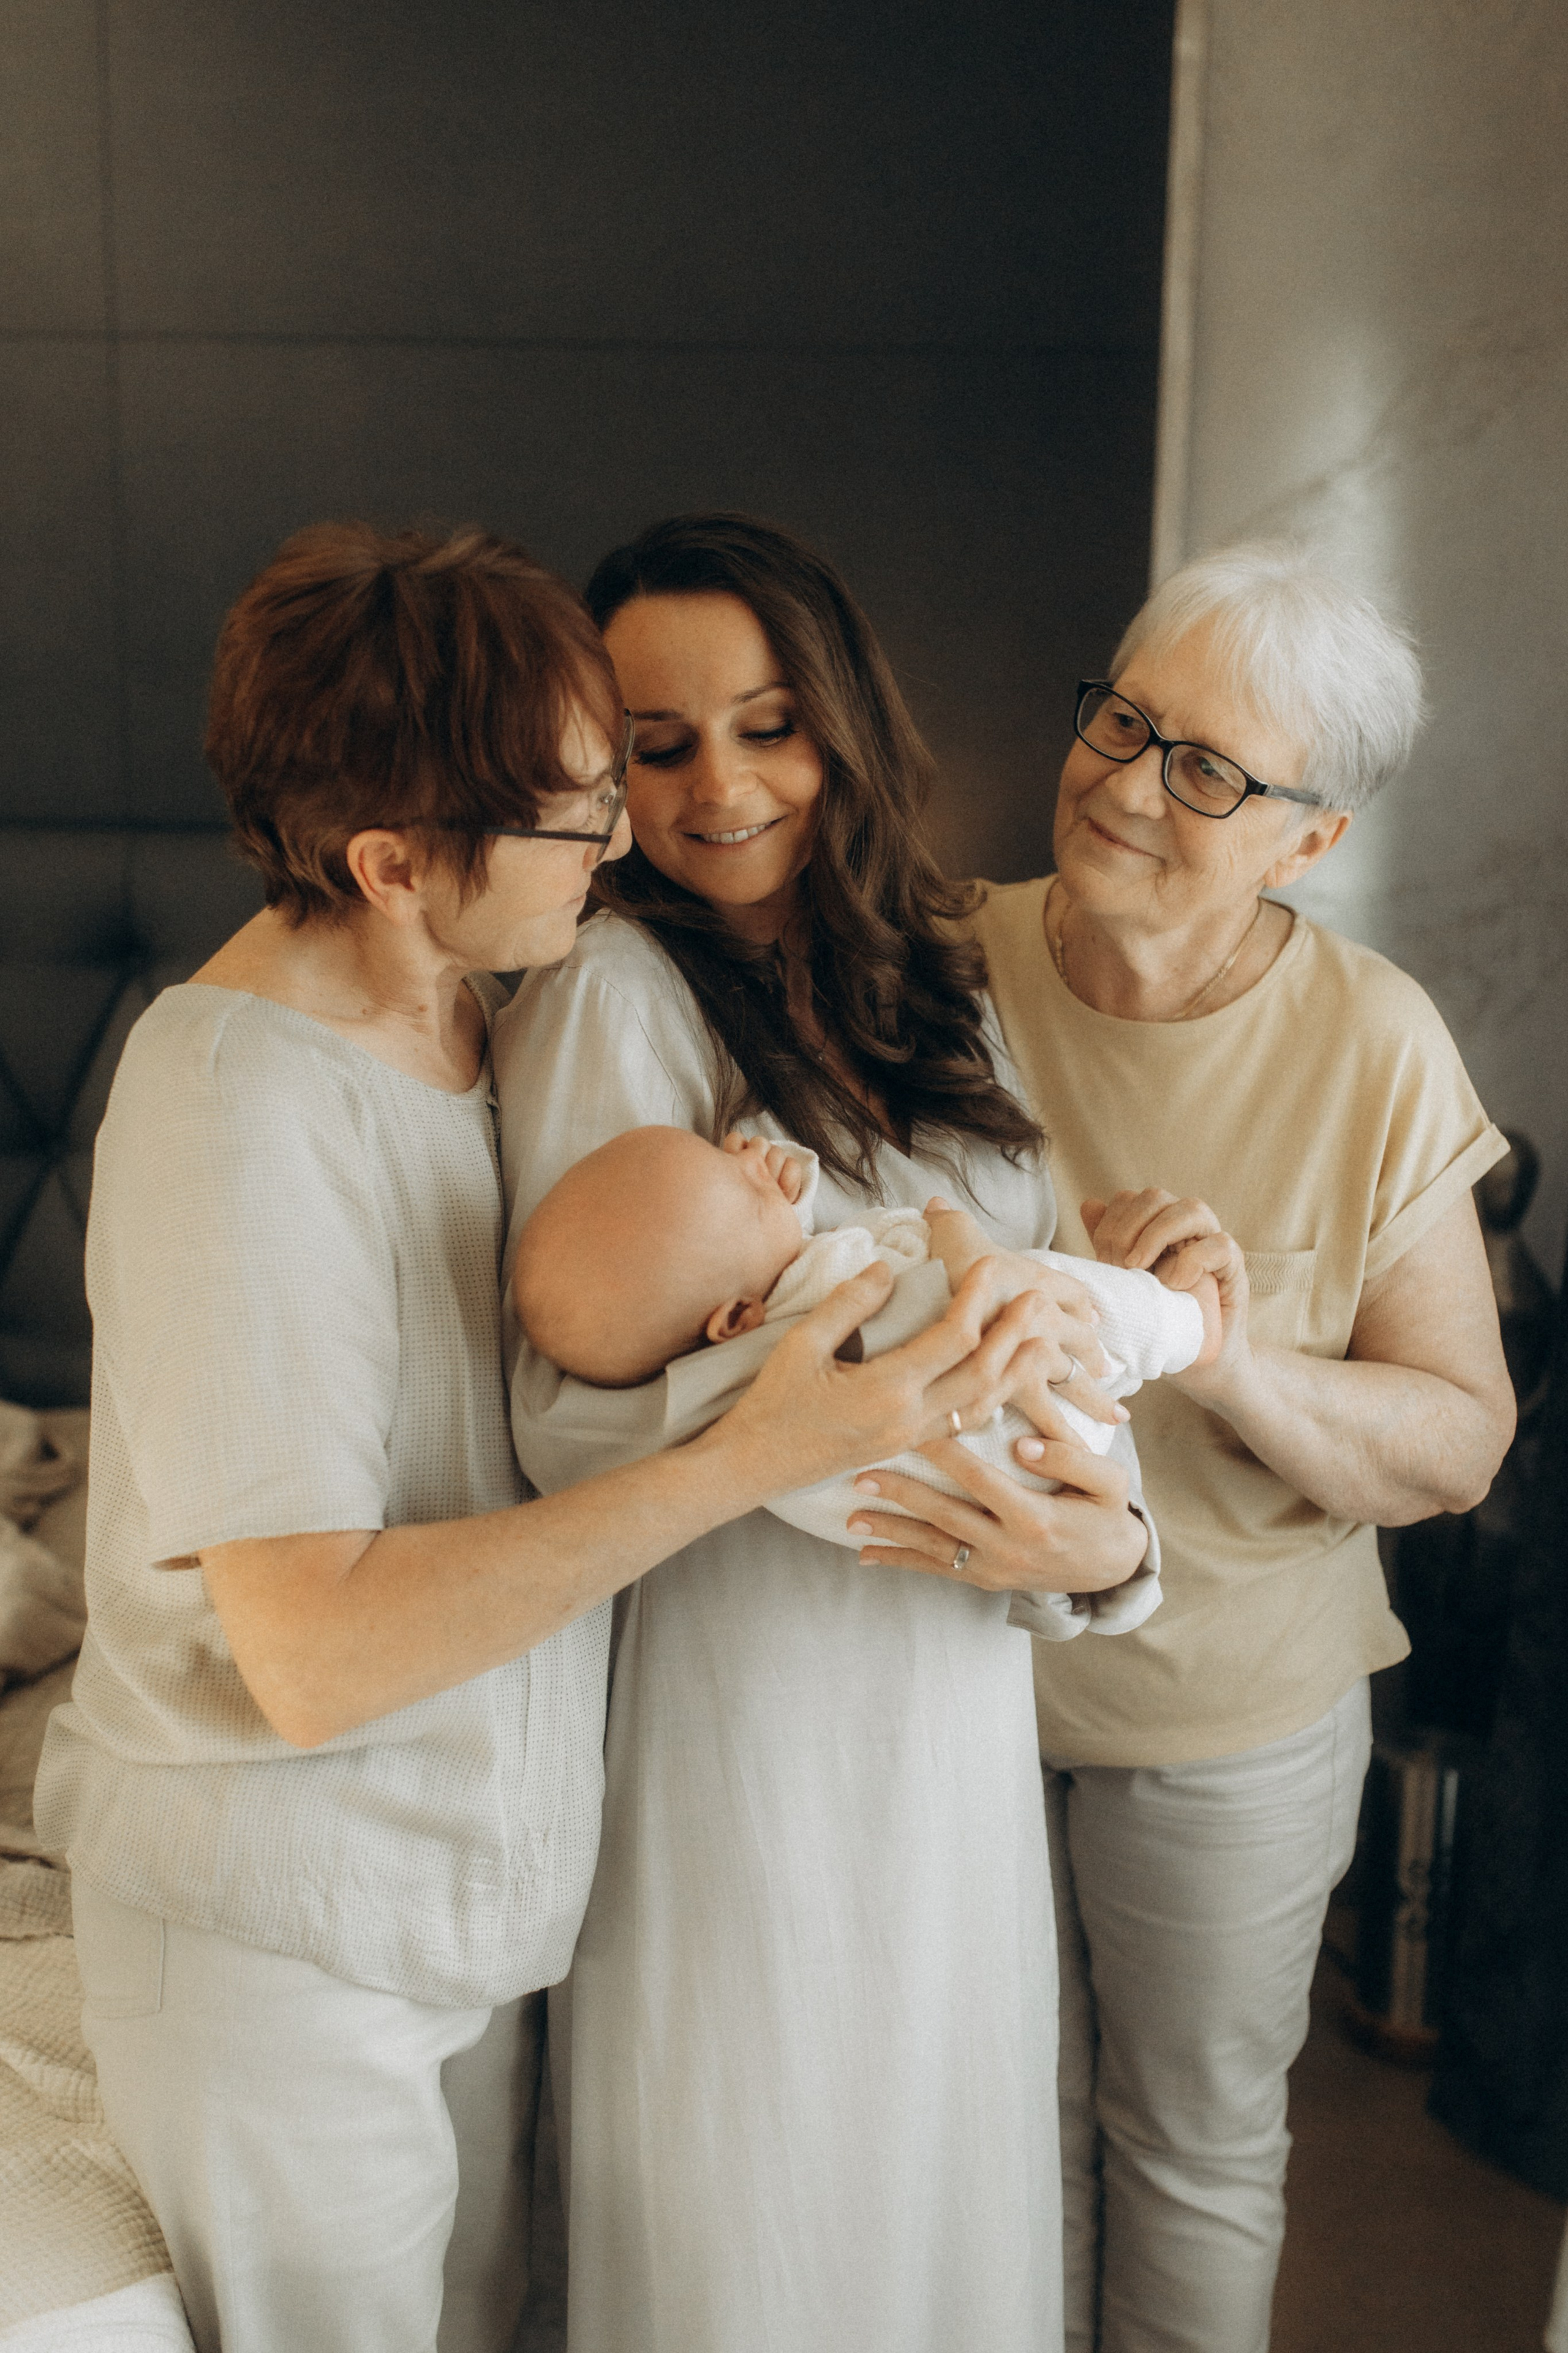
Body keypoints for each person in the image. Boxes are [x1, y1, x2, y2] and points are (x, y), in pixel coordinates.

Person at [32, 522, 1059, 2353]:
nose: (631, 838)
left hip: (456, 1899)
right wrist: (745, 1453)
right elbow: (315, 1647)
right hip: (287, 1919)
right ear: (393, 861)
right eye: (585, 808)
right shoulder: (236, 1109)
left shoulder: (449, 1025)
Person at [493, 512, 1156, 2353]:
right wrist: (921, 1409)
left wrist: (1107, 1544)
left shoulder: (933, 981)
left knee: (948, 2217)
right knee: (758, 2226)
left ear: (842, 722)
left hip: (953, 1722)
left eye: (767, 721)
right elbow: (567, 1398)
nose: (719, 783)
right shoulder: (612, 994)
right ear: (602, 773)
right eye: (658, 740)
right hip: (742, 1721)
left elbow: (1054, 1335)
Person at [866, 540, 1514, 2353]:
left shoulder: (1372, 1044)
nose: (1131, 782)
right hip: (931, 1689)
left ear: (1305, 838)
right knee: (974, 2145)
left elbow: (1457, 1436)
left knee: (1189, 2152)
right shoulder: (927, 970)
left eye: (1207, 766)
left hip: (1220, 1718)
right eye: (1126, 720)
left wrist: (1226, 1361)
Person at [513, 1122, 1216, 1630]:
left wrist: (1120, 1546)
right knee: (1050, 1289)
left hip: (1024, 1523)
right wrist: (954, 1240)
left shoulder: (748, 1310)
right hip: (979, 1483)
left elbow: (735, 1239)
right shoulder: (799, 1340)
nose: (741, 1148)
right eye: (734, 1171)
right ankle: (1186, 1327)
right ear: (733, 1321)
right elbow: (941, 1302)